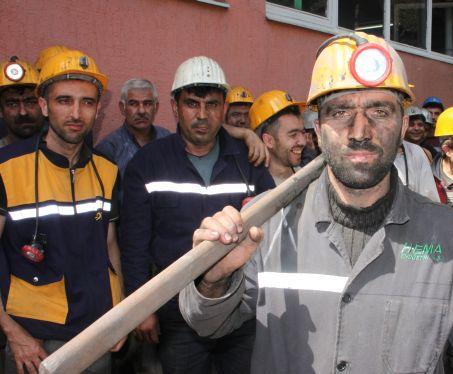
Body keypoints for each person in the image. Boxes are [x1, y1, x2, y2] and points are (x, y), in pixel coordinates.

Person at [178, 31, 453, 373]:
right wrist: (213, 280)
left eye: (380, 112)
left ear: (402, 128)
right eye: (340, 112)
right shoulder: (268, 224)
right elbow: (208, 324)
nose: (359, 131)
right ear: (317, 132)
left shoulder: (452, 237)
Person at [119, 56, 274, 374]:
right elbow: (133, 245)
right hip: (176, 317)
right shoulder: (148, 165)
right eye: (192, 103)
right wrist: (141, 309)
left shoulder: (248, 162)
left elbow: (274, 226)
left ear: (224, 107)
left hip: (239, 309)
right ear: (175, 107)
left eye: (212, 104)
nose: (202, 115)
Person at [0, 50, 123, 374]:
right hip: (34, 342)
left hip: (95, 334)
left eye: (87, 102)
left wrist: (120, 314)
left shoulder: (107, 172)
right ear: (44, 106)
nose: (76, 113)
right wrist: (13, 333)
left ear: (98, 109)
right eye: (64, 100)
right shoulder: (7, 169)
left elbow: (110, 246)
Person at [96, 79, 170, 178]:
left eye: (147, 103)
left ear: (156, 107)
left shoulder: (168, 140)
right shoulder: (109, 149)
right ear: (122, 108)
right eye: (133, 104)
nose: (141, 111)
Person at [249, 90, 306, 185]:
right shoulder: (253, 187)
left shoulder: (307, 177)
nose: (303, 141)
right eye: (293, 135)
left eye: (303, 132)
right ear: (268, 141)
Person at [0, 57, 45, 148]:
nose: (23, 112)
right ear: (1, 110)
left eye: (31, 102)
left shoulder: (65, 152)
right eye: (12, 104)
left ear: (44, 105)